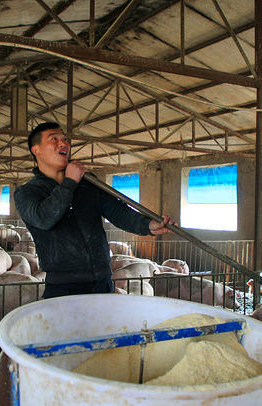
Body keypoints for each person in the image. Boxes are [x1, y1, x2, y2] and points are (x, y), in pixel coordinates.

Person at [14, 122, 176, 299]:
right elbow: (45, 219)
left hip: (102, 280)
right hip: (62, 285)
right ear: (36, 150)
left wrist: (148, 225)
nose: (63, 144)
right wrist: (70, 182)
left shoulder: (88, 184)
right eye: (54, 139)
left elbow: (118, 211)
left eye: (65, 139)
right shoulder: (27, 192)